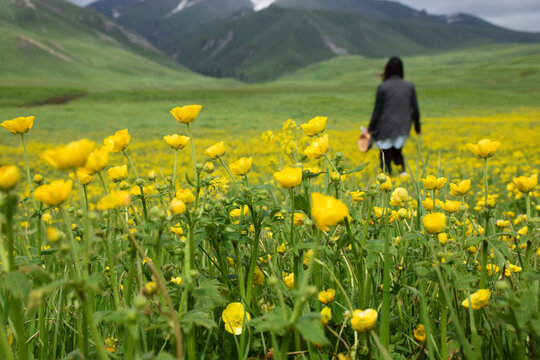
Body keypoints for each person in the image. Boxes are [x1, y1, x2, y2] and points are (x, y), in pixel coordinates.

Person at [368, 56, 420, 176]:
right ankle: (402, 174)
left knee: (385, 153)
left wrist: (370, 128)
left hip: (386, 126)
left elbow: (377, 110)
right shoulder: (409, 86)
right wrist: (417, 125)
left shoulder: (383, 87)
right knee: (397, 150)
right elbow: (415, 108)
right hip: (403, 126)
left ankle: (387, 178)